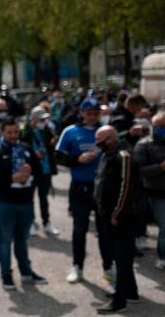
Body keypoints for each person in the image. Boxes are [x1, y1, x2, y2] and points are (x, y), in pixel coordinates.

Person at [0, 117, 49, 290]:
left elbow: (40, 171)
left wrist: (30, 173)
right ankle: (6, 274)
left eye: (16, 132)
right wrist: (11, 178)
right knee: (5, 240)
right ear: (2, 132)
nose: (13, 135)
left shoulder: (26, 148)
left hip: (26, 202)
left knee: (23, 239)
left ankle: (26, 272)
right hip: (4, 203)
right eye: (9, 132)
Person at [56, 98, 113, 284]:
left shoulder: (106, 131)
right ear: (81, 113)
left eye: (96, 113)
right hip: (80, 188)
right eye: (89, 113)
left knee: (104, 231)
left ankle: (108, 267)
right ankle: (77, 267)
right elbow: (58, 156)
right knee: (79, 230)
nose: (92, 116)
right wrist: (77, 159)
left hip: (103, 188)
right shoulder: (70, 131)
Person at [93, 126, 140, 314]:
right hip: (109, 214)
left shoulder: (124, 156)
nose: (98, 145)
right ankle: (131, 292)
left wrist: (117, 213)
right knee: (121, 257)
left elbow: (126, 187)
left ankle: (119, 301)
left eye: (101, 141)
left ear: (111, 139)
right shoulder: (109, 153)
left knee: (122, 258)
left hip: (121, 217)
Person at [133, 113, 165, 279]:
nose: (164, 129)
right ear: (153, 127)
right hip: (156, 192)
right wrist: (160, 168)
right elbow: (138, 171)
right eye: (160, 126)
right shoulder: (144, 144)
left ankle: (162, 258)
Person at [20, 106, 60, 236]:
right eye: (41, 119)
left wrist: (52, 143)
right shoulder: (25, 131)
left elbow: (50, 146)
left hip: (45, 169)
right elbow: (22, 149)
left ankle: (46, 223)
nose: (44, 122)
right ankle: (30, 222)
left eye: (45, 119)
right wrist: (32, 154)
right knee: (29, 198)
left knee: (44, 197)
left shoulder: (46, 130)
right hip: (31, 170)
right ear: (33, 119)